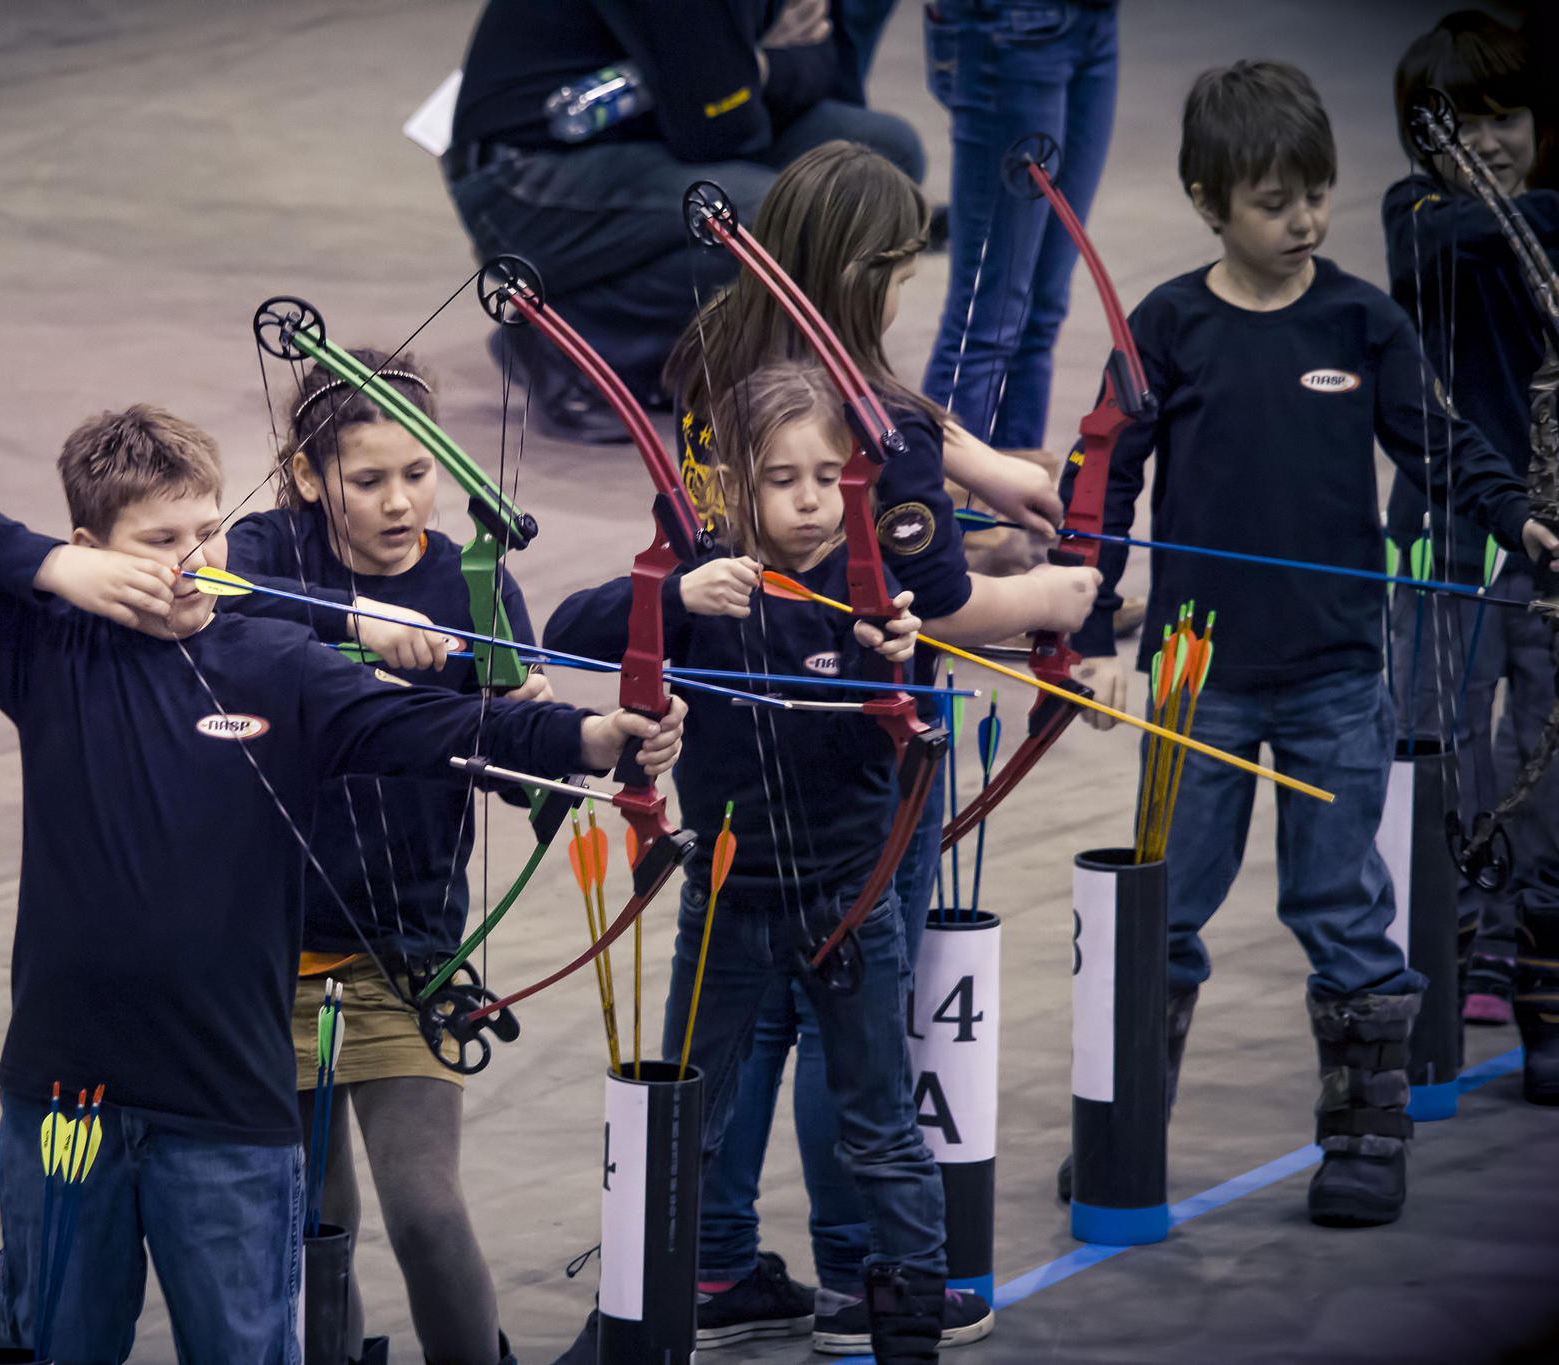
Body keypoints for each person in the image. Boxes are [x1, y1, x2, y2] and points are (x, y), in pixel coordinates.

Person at [0, 405, 687, 1364]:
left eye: (206, 530)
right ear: (94, 547)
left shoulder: (275, 663)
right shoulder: (47, 648)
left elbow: (435, 731)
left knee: (246, 1346)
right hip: (64, 1096)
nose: (195, 559)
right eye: (159, 542)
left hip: (227, 1114)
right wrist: (50, 566)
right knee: (58, 1339)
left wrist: (587, 738)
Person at [1065, 60, 1558, 1227]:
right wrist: (1082, 624)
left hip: (1338, 676)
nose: (1302, 222)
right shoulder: (1166, 327)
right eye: (1272, 201)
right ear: (1204, 198)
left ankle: (1362, 1140)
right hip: (1197, 682)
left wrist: (1520, 521)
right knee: (1163, 913)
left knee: (1341, 908)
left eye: (1315, 195)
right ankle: (1124, 1135)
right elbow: (1104, 481)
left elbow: (1438, 447)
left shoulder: (1359, 320)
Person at [662, 139, 1096, 1353]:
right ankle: (864, 1281)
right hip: (861, 766)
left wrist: (989, 474)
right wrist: (1052, 603)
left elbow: (885, 411)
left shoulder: (718, 359)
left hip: (728, 760)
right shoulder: (860, 433)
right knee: (849, 1014)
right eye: (896, 273)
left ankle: (707, 1265)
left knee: (745, 1018)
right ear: (860, 273)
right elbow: (944, 605)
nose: (903, 293)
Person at [548, 360, 942, 1363]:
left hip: (845, 903)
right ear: (729, 485)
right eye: (779, 479)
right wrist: (673, 594)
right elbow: (567, 631)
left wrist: (893, 659)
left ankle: (904, 1332)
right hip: (723, 903)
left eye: (825, 476)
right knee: (683, 1117)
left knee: (881, 1129)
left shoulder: (862, 592)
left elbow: (883, 737)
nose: (807, 500)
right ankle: (630, 1325)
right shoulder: (697, 578)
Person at [228, 353, 551, 1365]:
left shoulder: (470, 580)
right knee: (312, 1224)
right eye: (367, 480)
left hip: (407, 951)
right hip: (271, 952)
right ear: (309, 474)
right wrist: (350, 622)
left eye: (418, 472)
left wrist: (552, 738)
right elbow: (214, 607)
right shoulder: (265, 548)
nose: (400, 501)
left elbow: (524, 766)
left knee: (422, 1210)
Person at [443, 0, 925, 443]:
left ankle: (691, 349)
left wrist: (748, 70)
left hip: (655, 135)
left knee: (879, 164)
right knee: (765, 221)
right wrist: (758, 66)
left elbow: (825, 68)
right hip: (524, 175)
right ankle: (572, 336)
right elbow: (720, 131)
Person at [1381, 11, 1559, 1101]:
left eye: (1507, 116)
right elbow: (1440, 243)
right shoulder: (1415, 218)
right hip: (1444, 514)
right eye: (1461, 125)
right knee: (1437, 726)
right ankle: (1448, 941)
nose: (1489, 139)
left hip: (1544, 523)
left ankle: (1525, 935)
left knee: (1538, 735)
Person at [920, 0, 1123, 448]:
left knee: (1042, 310)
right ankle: (936, 506)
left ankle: (1013, 508)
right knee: (987, 318)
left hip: (1096, 21)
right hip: (1013, 28)